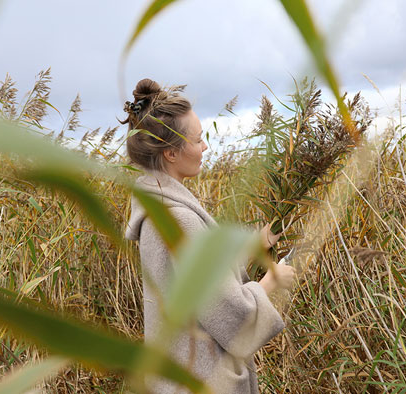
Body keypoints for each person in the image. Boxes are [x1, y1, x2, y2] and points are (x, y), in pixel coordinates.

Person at [123, 78, 295, 393]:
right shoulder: (178, 218)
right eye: (198, 139)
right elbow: (230, 312)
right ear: (171, 153)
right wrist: (271, 280)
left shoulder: (159, 207)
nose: (205, 147)